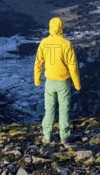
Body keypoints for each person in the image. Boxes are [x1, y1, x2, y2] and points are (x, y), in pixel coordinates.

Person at [34, 17, 81, 145]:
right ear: (61, 27)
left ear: (50, 27)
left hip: (49, 82)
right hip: (63, 83)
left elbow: (38, 62)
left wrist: (37, 79)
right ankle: (64, 136)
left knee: (49, 109)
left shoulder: (44, 42)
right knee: (64, 109)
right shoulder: (66, 44)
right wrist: (77, 84)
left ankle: (47, 136)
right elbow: (73, 66)